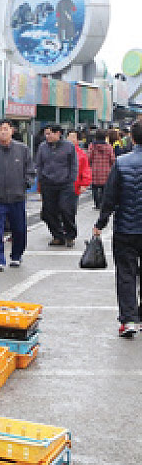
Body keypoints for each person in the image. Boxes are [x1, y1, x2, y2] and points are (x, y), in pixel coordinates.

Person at [94, 122, 142, 337]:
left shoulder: (122, 163)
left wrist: (100, 224)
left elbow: (109, 198)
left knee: (126, 274)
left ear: (132, 138)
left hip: (126, 230)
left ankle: (129, 320)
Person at [0, 120, 35, 271]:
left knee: (19, 229)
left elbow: (30, 171)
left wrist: (25, 184)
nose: (3, 132)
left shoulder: (23, 149)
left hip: (17, 197)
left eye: (6, 129)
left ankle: (16, 256)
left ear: (12, 130)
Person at [36, 125, 79, 247]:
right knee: (49, 212)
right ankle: (58, 236)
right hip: (48, 184)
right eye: (46, 134)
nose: (47, 136)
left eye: (50, 134)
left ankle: (70, 235)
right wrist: (41, 178)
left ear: (58, 133)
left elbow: (73, 165)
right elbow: (39, 164)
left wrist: (71, 179)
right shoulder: (43, 147)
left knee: (66, 209)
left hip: (65, 184)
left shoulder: (68, 146)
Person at [88, 129, 116, 209]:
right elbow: (112, 159)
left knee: (95, 188)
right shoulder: (109, 147)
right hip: (106, 171)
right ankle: (103, 203)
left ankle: (97, 204)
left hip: (95, 170)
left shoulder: (92, 146)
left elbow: (89, 158)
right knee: (104, 188)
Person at [65, 128, 92, 203]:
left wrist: (84, 184)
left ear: (77, 140)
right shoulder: (60, 151)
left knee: (70, 210)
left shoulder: (81, 154)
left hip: (75, 186)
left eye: (73, 137)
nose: (71, 139)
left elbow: (85, 169)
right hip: (61, 185)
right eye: (69, 137)